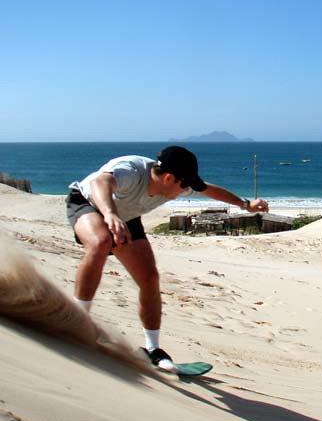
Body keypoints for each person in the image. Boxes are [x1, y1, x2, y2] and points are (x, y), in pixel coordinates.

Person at [65, 146, 269, 371]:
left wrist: (245, 204)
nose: (185, 191)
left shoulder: (176, 183)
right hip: (89, 204)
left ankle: (152, 349)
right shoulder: (131, 170)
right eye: (184, 186)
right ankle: (78, 321)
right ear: (169, 178)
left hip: (127, 217)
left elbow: (209, 190)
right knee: (100, 242)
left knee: (150, 278)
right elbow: (99, 183)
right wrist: (110, 214)